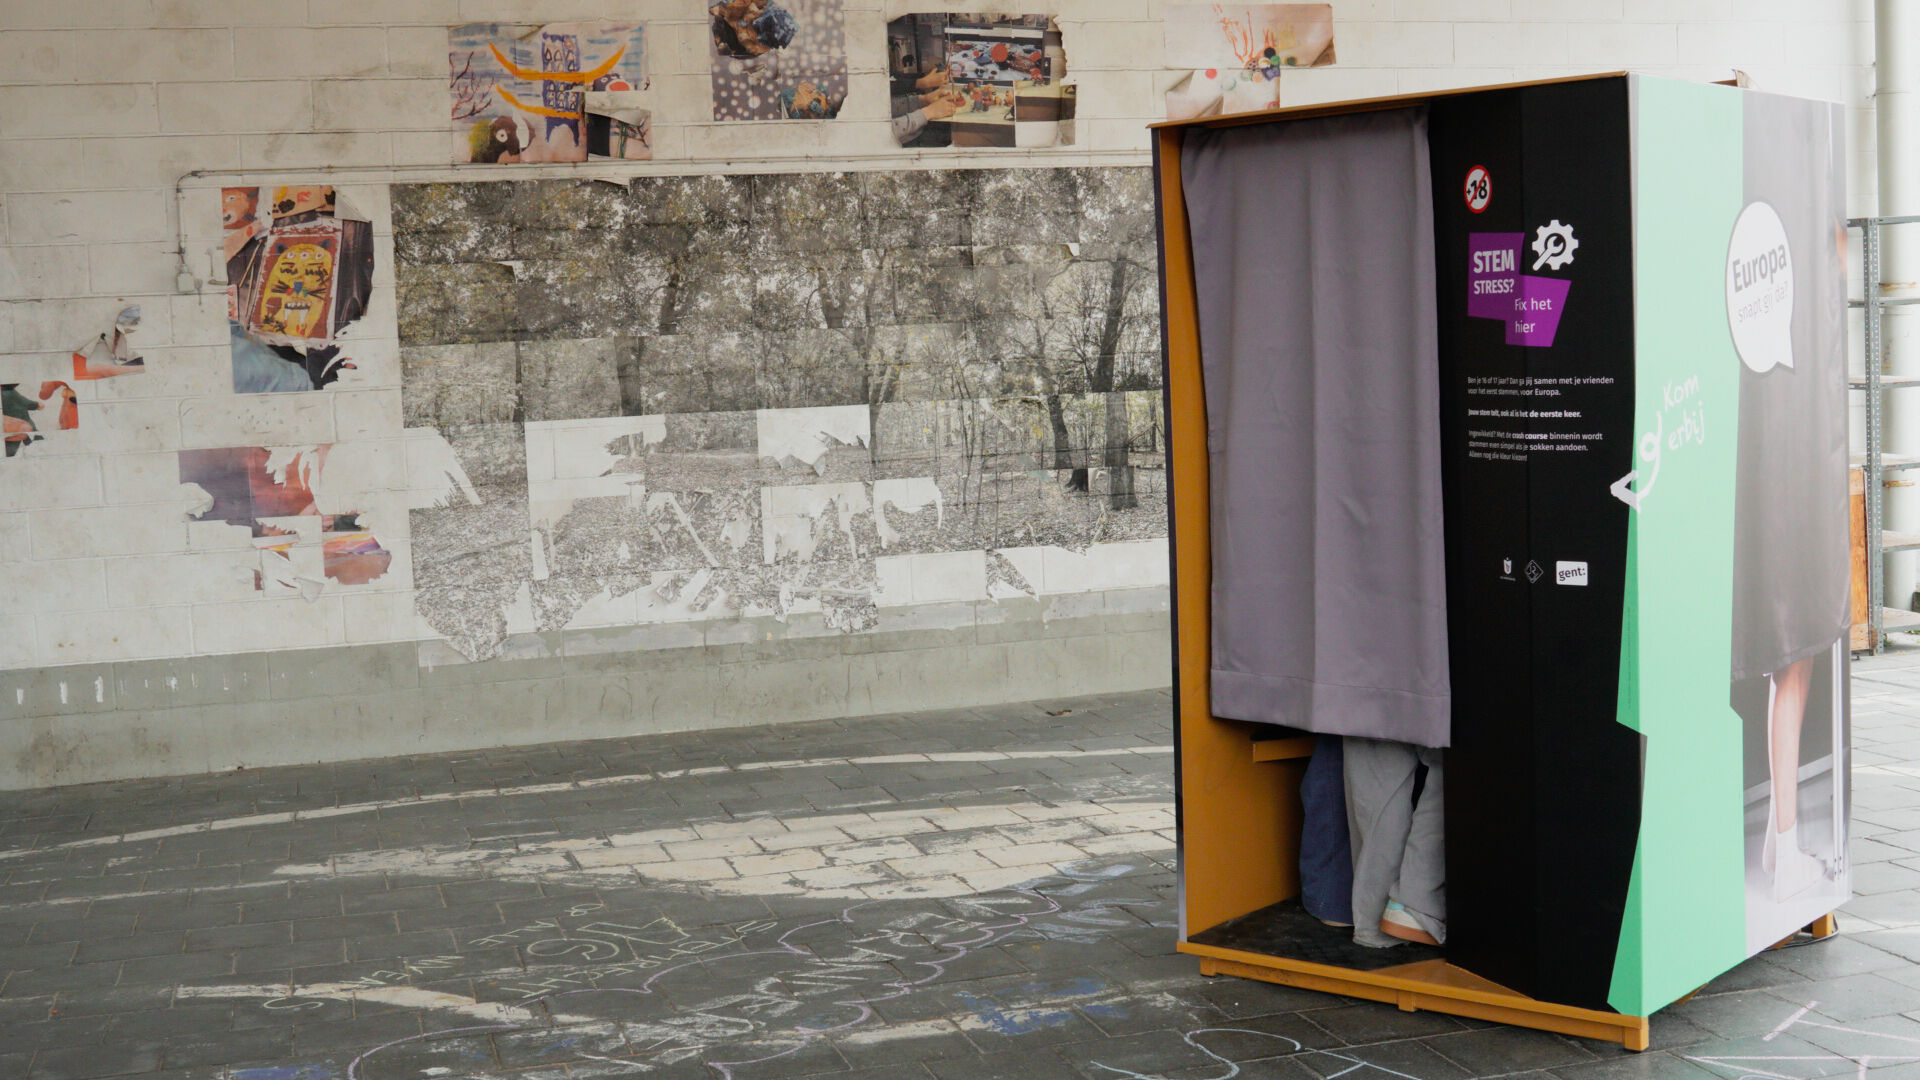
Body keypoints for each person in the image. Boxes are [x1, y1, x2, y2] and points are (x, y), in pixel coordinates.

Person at [891, 67, 960, 144]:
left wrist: (922, 100)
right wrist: (929, 112)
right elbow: (885, 132)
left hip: (909, 127)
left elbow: (887, 105)